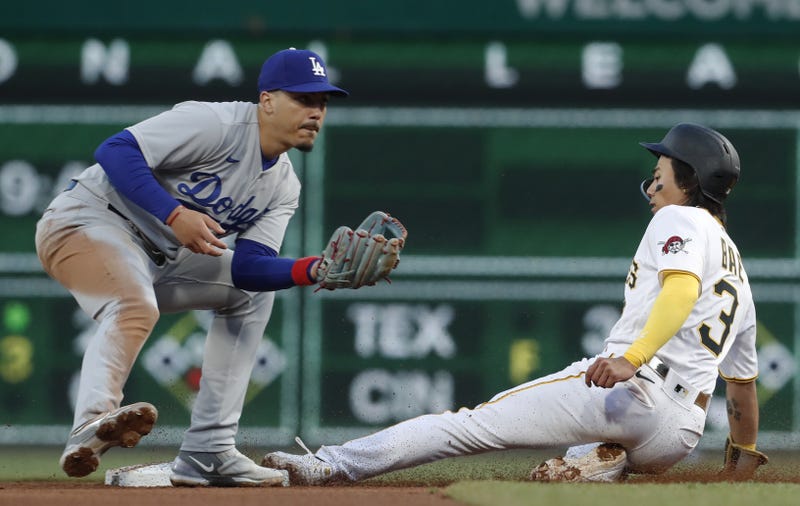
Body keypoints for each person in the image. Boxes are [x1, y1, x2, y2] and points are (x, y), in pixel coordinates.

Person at [262, 123, 767, 485]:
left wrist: (630, 359)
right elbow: (742, 391)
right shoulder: (739, 274)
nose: (654, 182)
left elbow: (679, 291)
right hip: (680, 433)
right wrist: (741, 463)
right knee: (582, 454)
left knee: (469, 425)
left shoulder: (679, 219)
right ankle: (599, 461)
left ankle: (330, 463)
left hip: (635, 393)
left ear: (689, 181)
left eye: (662, 169)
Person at [35, 47, 400, 487]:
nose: (316, 112)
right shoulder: (218, 123)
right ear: (267, 100)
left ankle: (209, 451)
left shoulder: (284, 186)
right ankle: (91, 425)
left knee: (248, 295)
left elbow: (249, 269)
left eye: (322, 102)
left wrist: (314, 270)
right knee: (135, 304)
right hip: (86, 220)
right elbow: (115, 150)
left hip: (162, 259)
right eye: (303, 99)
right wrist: (174, 214)